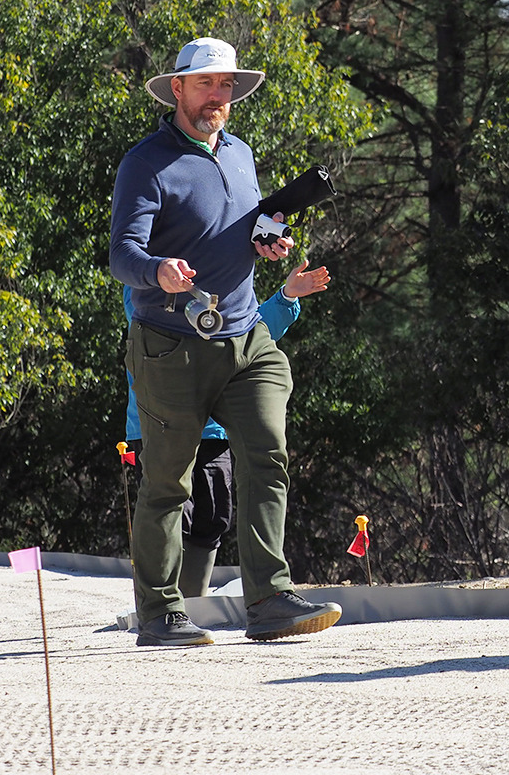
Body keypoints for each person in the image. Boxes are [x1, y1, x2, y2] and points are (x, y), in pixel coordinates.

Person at [110, 36, 343, 646]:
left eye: (228, 87)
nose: (219, 95)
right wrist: (157, 269)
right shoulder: (145, 162)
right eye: (208, 84)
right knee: (169, 484)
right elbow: (122, 254)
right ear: (178, 89)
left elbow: (237, 234)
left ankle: (268, 600)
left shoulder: (240, 155)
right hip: (170, 344)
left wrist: (266, 242)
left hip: (246, 338)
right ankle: (159, 614)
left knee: (268, 454)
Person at [121, 259, 330, 598]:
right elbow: (159, 328)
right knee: (173, 507)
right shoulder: (147, 283)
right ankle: (161, 603)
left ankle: (193, 601)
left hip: (214, 428)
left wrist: (287, 296)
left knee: (214, 515)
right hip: (163, 418)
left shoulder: (225, 287)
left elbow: (250, 338)